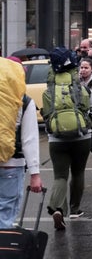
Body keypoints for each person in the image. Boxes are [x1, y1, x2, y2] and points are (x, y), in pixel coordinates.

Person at [43, 47, 92, 230]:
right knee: (78, 173)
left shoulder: (48, 92)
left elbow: (46, 116)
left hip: (56, 140)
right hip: (81, 139)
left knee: (60, 176)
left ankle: (57, 207)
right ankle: (75, 209)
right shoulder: (83, 89)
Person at [0, 57, 43, 229]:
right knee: (5, 213)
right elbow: (29, 139)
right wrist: (35, 174)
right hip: (12, 164)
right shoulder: (24, 102)